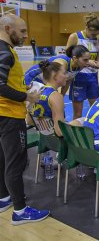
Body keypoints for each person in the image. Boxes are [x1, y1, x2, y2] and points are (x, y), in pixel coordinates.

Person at [0, 14, 49, 224]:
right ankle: (20, 211)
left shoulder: (5, 50)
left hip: (2, 114)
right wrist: (26, 96)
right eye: (22, 31)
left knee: (2, 160)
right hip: (10, 116)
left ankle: (4, 198)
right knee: (15, 163)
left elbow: (6, 82)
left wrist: (21, 88)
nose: (26, 35)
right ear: (8, 28)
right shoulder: (4, 52)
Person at [66, 13, 99, 119]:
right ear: (86, 28)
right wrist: (88, 62)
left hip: (93, 79)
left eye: (96, 34)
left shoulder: (98, 39)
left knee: (95, 113)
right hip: (78, 77)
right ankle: (75, 134)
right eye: (93, 34)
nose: (94, 37)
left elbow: (98, 58)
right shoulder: (75, 37)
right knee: (78, 114)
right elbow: (68, 57)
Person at [24, 45, 92, 94]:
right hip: (33, 78)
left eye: (88, 59)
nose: (88, 62)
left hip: (44, 82)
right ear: (75, 58)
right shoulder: (62, 64)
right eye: (85, 60)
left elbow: (68, 81)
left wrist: (62, 96)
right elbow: (52, 83)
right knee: (32, 108)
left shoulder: (79, 65)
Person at [27, 60, 67, 137]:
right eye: (64, 73)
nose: (66, 76)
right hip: (56, 141)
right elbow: (59, 132)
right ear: (55, 76)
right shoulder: (56, 96)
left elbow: (29, 121)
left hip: (43, 138)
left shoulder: (35, 92)